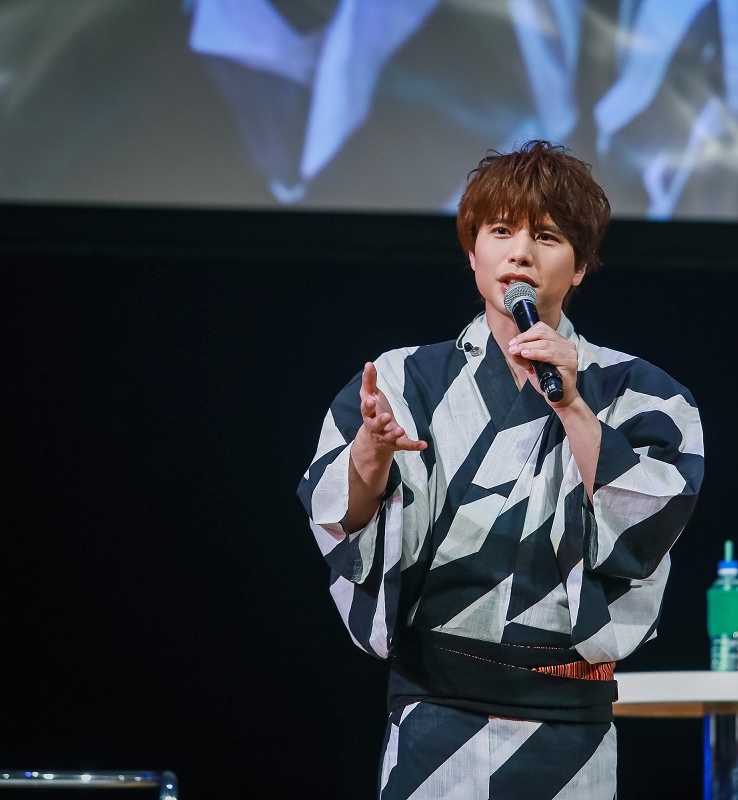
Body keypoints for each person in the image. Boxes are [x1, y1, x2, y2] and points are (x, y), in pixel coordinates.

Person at [297, 139, 704, 799]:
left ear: (579, 267)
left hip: (568, 719)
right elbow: (339, 519)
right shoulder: (402, 379)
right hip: (434, 711)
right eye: (501, 231)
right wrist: (372, 448)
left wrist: (574, 406)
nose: (520, 253)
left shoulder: (644, 394)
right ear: (472, 252)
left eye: (547, 236)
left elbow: (647, 528)